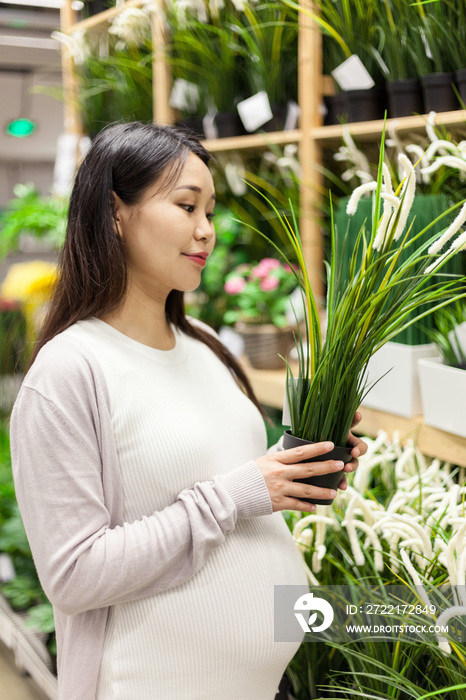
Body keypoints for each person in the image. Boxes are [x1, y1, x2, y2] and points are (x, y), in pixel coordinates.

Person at [10, 122, 367, 700]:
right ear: (114, 212)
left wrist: (301, 461)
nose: (206, 231)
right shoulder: (70, 372)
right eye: (185, 206)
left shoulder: (205, 344)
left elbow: (233, 482)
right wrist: (238, 494)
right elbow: (74, 575)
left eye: (210, 210)